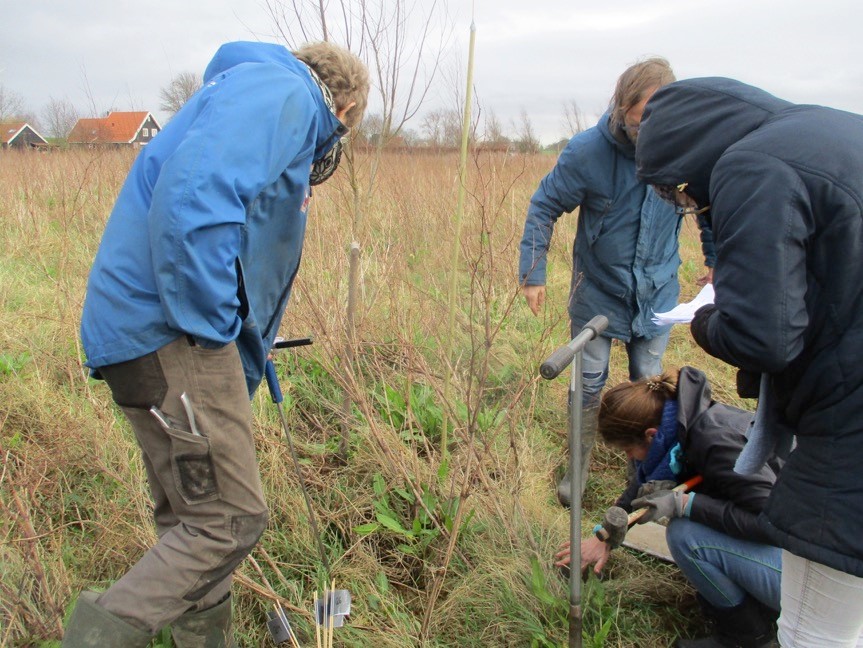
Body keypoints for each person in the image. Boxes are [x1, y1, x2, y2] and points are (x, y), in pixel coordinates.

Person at [65, 41, 369, 647]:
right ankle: (88, 640)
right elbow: (194, 202)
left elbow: (235, 229)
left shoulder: (243, 93)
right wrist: (214, 331)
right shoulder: (286, 93)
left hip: (138, 335)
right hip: (171, 336)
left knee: (193, 517)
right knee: (230, 519)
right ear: (347, 106)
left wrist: (245, 338)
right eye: (347, 131)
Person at [635, 77, 863, 647]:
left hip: (849, 434)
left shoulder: (752, 165)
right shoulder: (826, 131)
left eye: (682, 193)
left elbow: (764, 338)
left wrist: (710, 317)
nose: (688, 205)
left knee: (815, 632)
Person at [518, 57, 714, 506]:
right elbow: (544, 204)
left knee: (649, 385)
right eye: (639, 117)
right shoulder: (588, 152)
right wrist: (533, 273)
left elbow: (706, 204)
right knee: (587, 386)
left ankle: (645, 476)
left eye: (657, 118)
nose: (647, 128)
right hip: (598, 296)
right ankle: (578, 471)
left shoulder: (682, 149)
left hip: (658, 296)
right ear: (622, 107)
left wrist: (715, 259)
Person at [555, 367, 782, 647]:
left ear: (650, 435)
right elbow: (642, 487)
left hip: (811, 573)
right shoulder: (683, 427)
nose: (629, 458)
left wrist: (686, 504)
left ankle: (749, 637)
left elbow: (771, 523)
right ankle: (757, 611)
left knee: (685, 536)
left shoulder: (716, 444)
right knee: (691, 530)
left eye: (627, 451)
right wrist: (605, 535)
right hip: (793, 553)